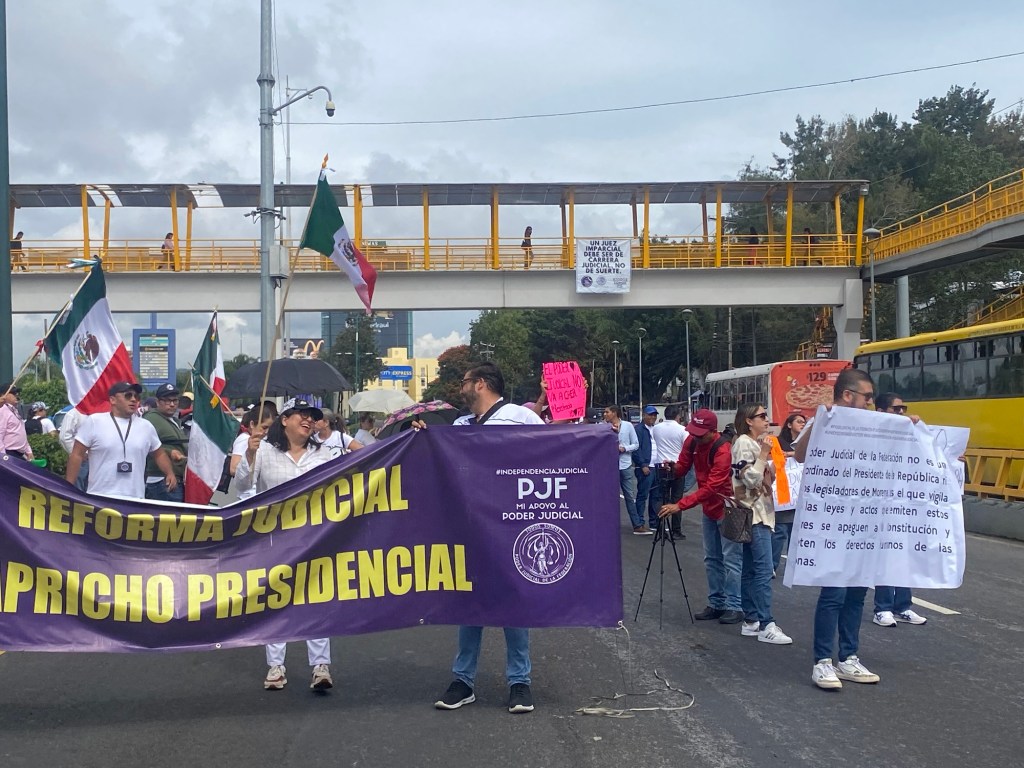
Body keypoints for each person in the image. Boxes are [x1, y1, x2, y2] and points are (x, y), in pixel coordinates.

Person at [433, 362, 544, 715]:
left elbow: (552, 454)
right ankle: (463, 680)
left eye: (464, 382)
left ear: (480, 384)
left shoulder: (520, 418)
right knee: (469, 603)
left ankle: (519, 681)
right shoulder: (460, 426)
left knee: (515, 603)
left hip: (512, 524)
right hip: (470, 527)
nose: (460, 387)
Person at [234, 398, 348, 692]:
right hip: (274, 537)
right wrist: (249, 454)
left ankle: (320, 665)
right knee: (276, 598)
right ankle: (276, 666)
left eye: (313, 416)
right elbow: (243, 487)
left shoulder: (324, 455)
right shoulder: (265, 452)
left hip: (314, 536)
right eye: (302, 414)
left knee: (316, 598)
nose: (309, 420)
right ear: (284, 419)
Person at [795, 368, 881, 690]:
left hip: (863, 523)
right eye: (867, 397)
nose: (870, 404)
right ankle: (822, 661)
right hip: (832, 523)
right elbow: (801, 455)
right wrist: (819, 423)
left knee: (857, 592)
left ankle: (849, 658)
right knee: (834, 592)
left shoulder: (875, 427)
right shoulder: (825, 422)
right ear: (848, 395)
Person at [658, 409, 743, 624]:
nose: (695, 436)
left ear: (712, 431)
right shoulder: (693, 442)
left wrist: (680, 505)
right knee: (711, 558)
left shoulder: (723, 449)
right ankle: (717, 603)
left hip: (727, 507)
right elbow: (683, 467)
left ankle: (735, 605)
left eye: (700, 432)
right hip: (709, 507)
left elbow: (712, 487)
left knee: (731, 559)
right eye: (693, 431)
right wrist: (672, 469)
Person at [732, 403, 792, 645]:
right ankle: (766, 622)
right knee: (764, 570)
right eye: (761, 416)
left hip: (757, 512)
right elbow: (751, 479)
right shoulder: (744, 443)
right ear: (749, 420)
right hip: (755, 514)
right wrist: (765, 454)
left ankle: (751, 620)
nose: (767, 420)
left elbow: (767, 478)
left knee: (750, 569)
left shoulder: (753, 444)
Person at [871, 393, 928, 628]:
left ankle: (903, 606)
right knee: (886, 555)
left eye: (903, 408)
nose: (902, 413)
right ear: (882, 412)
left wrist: (951, 459)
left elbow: (930, 454)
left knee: (903, 555)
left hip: (905, 506)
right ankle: (882, 608)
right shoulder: (872, 434)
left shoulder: (910, 433)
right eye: (896, 409)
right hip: (880, 505)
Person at [65, 381, 175, 499]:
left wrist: (169, 473)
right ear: (113, 400)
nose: (133, 400)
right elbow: (77, 454)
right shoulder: (94, 422)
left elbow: (159, 453)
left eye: (136, 397)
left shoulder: (146, 426)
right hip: (99, 498)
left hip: (134, 499)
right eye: (128, 396)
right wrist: (68, 487)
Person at [602, 405, 647, 534]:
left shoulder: (628, 426)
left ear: (615, 413)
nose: (605, 414)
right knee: (609, 496)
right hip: (609, 466)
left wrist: (624, 448)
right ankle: (608, 524)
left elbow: (636, 444)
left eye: (607, 412)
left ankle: (637, 524)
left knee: (629, 496)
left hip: (625, 465)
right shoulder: (603, 427)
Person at [142, 383, 188, 502]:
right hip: (161, 479)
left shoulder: (173, 420)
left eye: (175, 400)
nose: (172, 404)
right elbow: (144, 444)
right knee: (171, 518)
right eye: (167, 401)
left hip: (175, 479)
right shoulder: (151, 418)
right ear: (158, 402)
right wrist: (169, 451)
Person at [772, 412, 807, 572]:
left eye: (804, 422)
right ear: (789, 425)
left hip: (800, 497)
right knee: (780, 532)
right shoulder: (778, 442)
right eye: (799, 421)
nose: (802, 424)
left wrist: (793, 454)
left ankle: (795, 567)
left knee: (797, 534)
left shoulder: (806, 443)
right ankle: (771, 566)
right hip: (783, 495)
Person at [652, 404, 691, 537]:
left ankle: (661, 528)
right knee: (676, 499)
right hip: (676, 466)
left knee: (661, 498)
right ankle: (676, 530)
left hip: (660, 466)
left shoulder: (656, 428)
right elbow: (687, 448)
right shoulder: (683, 430)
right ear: (677, 416)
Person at [635, 405, 661, 530]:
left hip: (657, 467)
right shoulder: (639, 430)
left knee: (656, 496)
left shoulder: (656, 429)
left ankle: (654, 522)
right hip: (646, 467)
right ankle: (639, 522)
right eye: (650, 415)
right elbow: (636, 449)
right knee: (642, 495)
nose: (653, 417)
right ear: (644, 415)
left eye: (655, 415)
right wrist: (642, 465)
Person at [0, 383, 33, 461]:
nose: (17, 395)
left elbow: (21, 431)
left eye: (17, 392)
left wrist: (29, 451)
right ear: (3, 395)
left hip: (20, 454)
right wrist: (3, 457)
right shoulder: (2, 410)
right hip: (8, 454)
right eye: (13, 393)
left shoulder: (14, 410)